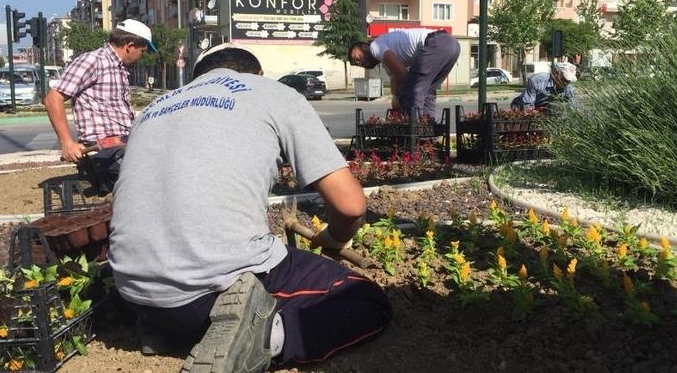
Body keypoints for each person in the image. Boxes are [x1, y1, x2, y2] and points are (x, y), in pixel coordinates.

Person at [108, 44, 392, 373]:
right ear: (257, 74)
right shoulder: (273, 93)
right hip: (210, 289)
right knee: (365, 301)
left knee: (191, 291)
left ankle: (167, 331)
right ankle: (267, 339)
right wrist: (334, 239)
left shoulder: (155, 108)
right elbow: (351, 205)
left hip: (135, 292)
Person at [43, 19, 156, 193]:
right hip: (104, 151)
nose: (142, 56)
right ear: (130, 45)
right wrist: (67, 143)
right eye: (142, 51)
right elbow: (53, 98)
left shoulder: (119, 68)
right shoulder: (93, 61)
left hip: (122, 144)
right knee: (148, 177)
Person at [348, 28, 460, 119]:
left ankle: (414, 137)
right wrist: (395, 98)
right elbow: (394, 79)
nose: (359, 63)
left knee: (412, 91)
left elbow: (402, 73)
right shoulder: (384, 55)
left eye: (356, 58)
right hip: (452, 44)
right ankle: (428, 139)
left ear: (364, 47)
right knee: (428, 92)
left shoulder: (375, 47)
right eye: (356, 64)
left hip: (436, 43)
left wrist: (402, 100)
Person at [510, 62, 577, 111]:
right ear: (556, 73)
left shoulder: (569, 89)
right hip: (521, 106)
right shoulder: (537, 80)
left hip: (543, 109)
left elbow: (573, 108)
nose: (566, 83)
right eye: (564, 79)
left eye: (568, 80)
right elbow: (527, 106)